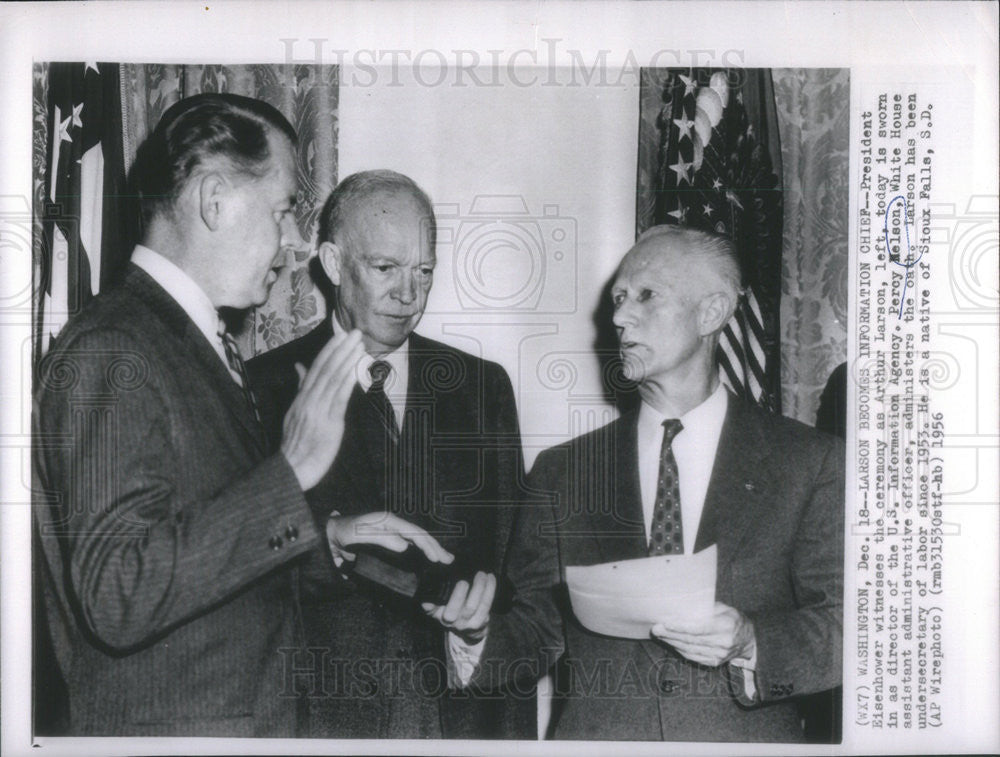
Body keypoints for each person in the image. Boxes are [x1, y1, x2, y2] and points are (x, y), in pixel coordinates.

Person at [31, 92, 394, 736]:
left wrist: (326, 542)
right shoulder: (113, 349)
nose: (297, 245)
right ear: (215, 199)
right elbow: (120, 591)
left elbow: (208, 560)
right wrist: (291, 472)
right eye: (284, 211)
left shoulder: (195, 341)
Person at [247, 170, 561, 739]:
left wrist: (479, 634)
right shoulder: (261, 388)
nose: (409, 295)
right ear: (334, 263)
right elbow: (237, 575)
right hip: (318, 723)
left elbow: (518, 579)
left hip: (460, 723)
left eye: (423, 272)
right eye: (386, 268)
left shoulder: (483, 388)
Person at [530, 225, 844, 742]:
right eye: (619, 299)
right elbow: (533, 626)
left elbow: (849, 627)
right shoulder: (561, 472)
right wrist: (472, 634)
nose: (619, 317)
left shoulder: (811, 463)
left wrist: (751, 641)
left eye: (646, 295)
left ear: (711, 313)